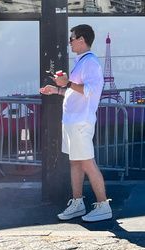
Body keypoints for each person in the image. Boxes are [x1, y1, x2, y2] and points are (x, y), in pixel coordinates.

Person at [40, 24, 112, 222]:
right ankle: (78, 202)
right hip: (73, 121)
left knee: (87, 163)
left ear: (81, 40)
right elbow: (76, 92)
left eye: (71, 39)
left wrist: (67, 83)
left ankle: (103, 205)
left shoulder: (90, 63)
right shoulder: (83, 62)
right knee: (76, 163)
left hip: (80, 122)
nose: (69, 43)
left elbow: (89, 90)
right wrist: (56, 90)